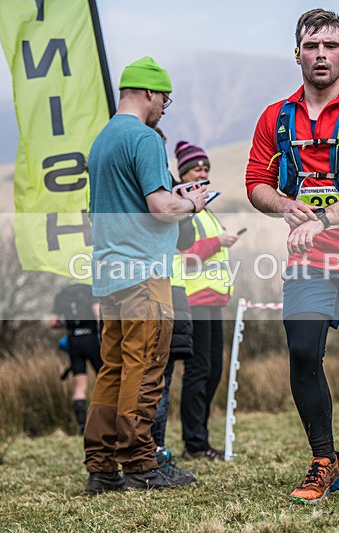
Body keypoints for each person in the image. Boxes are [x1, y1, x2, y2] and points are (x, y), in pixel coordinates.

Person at [245, 9, 339, 503]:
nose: (320, 55)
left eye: (330, 46)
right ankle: (324, 462)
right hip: (308, 260)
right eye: (311, 46)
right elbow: (255, 184)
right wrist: (285, 205)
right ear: (297, 53)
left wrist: (322, 219)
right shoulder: (276, 117)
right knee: (303, 351)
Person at [83, 56, 208, 495]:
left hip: (109, 273)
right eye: (164, 101)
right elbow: (160, 207)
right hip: (144, 274)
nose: (163, 110)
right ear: (150, 94)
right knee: (146, 366)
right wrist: (194, 203)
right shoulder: (145, 138)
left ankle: (100, 467)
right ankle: (140, 463)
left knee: (112, 369)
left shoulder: (102, 140)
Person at [174, 140, 239, 461]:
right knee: (198, 370)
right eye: (196, 167)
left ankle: (201, 437)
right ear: (183, 171)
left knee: (213, 370)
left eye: (206, 167)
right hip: (193, 297)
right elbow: (182, 253)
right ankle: (194, 444)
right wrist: (218, 241)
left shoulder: (205, 208)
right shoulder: (182, 205)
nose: (203, 171)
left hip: (214, 299)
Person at [149, 127, 196, 482]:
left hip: (118, 281)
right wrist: (189, 205)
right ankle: (152, 453)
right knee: (158, 377)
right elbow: (185, 238)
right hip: (160, 284)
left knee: (131, 374)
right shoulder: (156, 180)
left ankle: (120, 456)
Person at [48, 283, 103, 435]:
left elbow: (52, 322)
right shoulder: (90, 290)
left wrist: (68, 324)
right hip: (91, 339)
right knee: (105, 380)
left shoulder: (61, 294)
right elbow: (98, 315)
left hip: (74, 341)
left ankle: (82, 427)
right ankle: (105, 421)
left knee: (79, 386)